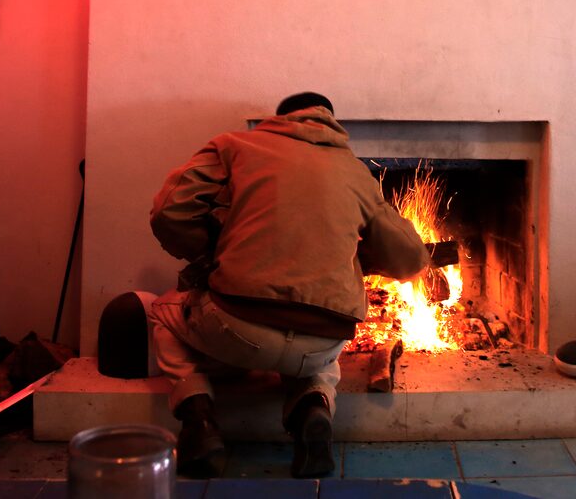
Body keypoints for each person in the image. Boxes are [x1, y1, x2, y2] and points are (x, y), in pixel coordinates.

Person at [147, 92, 430, 478]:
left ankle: (199, 420)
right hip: (320, 339)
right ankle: (311, 413)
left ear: (279, 119)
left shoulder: (234, 144)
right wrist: (360, 262)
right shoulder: (354, 171)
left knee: (162, 312)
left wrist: (209, 251)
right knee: (326, 360)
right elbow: (412, 259)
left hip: (236, 326)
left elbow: (168, 212)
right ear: (330, 122)